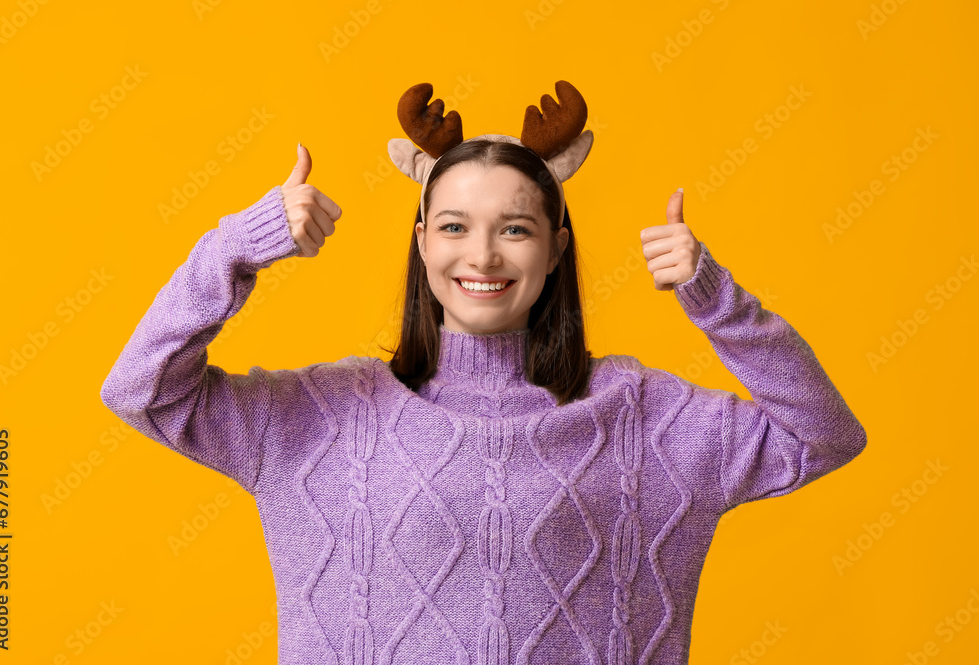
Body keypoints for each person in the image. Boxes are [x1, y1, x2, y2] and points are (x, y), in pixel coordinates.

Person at [101, 81, 867, 664]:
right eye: (457, 226)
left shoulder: (641, 415)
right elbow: (139, 388)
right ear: (423, 239)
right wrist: (244, 241)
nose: (484, 255)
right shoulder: (323, 415)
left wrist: (714, 297)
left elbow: (825, 435)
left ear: (556, 247)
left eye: (516, 228)